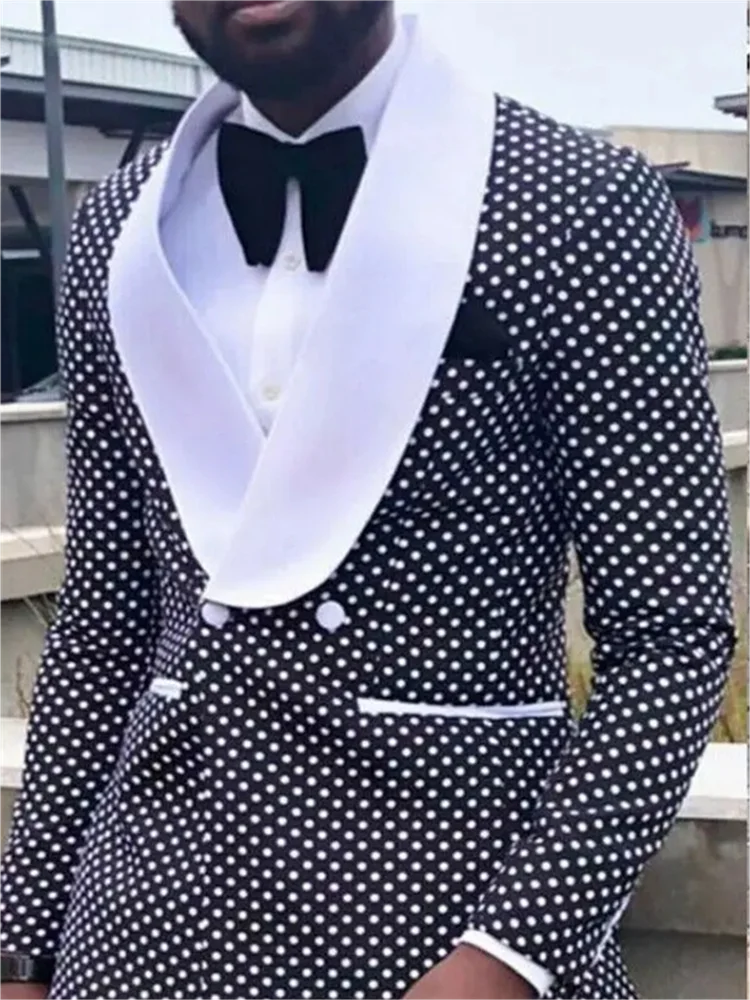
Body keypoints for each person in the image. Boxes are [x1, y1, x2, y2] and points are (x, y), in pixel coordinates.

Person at [0, 0, 736, 998]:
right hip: (140, 938)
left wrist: (510, 958)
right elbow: (103, 622)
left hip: (451, 925)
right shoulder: (114, 230)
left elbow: (670, 636)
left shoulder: (581, 204)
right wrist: (24, 945)